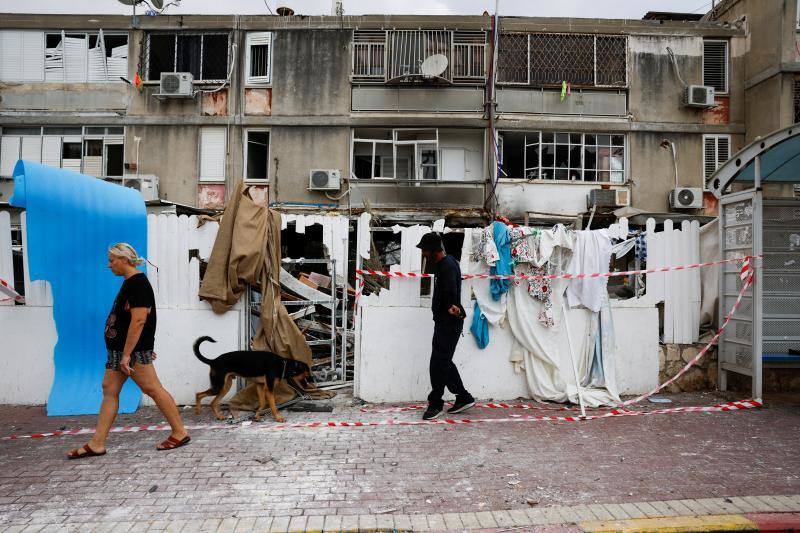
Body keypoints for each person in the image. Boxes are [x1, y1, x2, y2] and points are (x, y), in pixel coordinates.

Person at [67, 243, 190, 459]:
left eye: (112, 260)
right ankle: (97, 443)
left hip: (129, 353)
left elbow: (140, 320)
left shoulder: (138, 284)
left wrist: (129, 354)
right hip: (121, 351)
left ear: (125, 260)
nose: (109, 265)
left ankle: (180, 432)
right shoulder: (130, 282)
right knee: (109, 389)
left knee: (152, 389)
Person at [416, 233, 475, 420]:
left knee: (438, 364)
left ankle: (435, 403)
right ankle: (463, 397)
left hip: (448, 323)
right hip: (444, 322)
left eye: (425, 250)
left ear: (434, 250)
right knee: (444, 361)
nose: (424, 253)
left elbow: (451, 292)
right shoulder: (445, 264)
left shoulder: (447, 265)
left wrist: (452, 308)